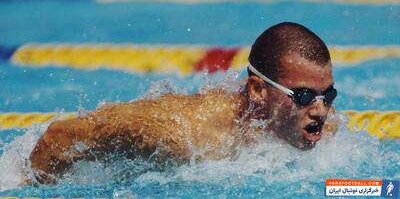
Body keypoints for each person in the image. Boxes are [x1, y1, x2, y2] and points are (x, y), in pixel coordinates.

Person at [27, 22, 338, 184]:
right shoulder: (182, 134)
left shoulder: (321, 128)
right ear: (257, 90)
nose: (321, 111)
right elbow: (60, 137)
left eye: (328, 96)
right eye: (304, 96)